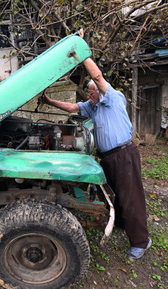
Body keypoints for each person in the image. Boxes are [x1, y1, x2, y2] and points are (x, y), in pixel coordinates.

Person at [40, 30, 151, 260]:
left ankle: (141, 242)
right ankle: (121, 223)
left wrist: (81, 53)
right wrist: (48, 101)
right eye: (89, 93)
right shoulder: (93, 106)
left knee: (131, 197)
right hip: (108, 157)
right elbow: (72, 108)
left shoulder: (112, 98)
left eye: (92, 92)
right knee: (113, 194)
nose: (89, 96)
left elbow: (98, 78)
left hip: (124, 153)